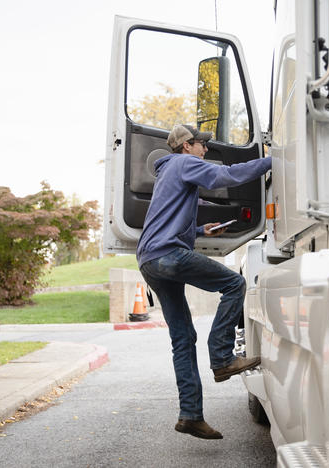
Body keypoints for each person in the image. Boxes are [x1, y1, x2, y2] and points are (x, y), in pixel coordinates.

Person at [137, 124, 272, 440]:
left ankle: (190, 416)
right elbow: (228, 176)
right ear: (186, 146)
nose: (205, 150)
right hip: (168, 254)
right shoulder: (185, 163)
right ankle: (223, 358)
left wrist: (201, 231)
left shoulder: (168, 172)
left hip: (150, 260)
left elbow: (165, 222)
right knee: (234, 285)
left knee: (182, 338)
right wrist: (274, 160)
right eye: (201, 144)